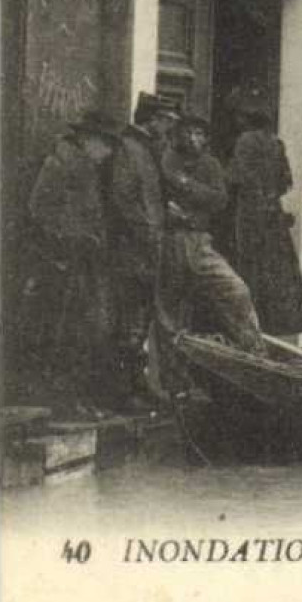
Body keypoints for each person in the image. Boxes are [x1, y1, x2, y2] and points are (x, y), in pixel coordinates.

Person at [24, 110, 122, 418]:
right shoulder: (60, 164)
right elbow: (39, 209)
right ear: (88, 139)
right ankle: (62, 400)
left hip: (83, 262)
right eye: (105, 145)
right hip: (63, 263)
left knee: (85, 329)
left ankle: (73, 397)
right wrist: (70, 240)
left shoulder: (86, 168)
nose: (107, 154)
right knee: (66, 331)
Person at [160, 114, 268, 360]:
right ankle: (173, 383)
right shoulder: (166, 159)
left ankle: (254, 353)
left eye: (198, 133)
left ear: (206, 138)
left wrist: (186, 184)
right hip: (170, 241)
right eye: (187, 132)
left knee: (236, 290)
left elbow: (220, 200)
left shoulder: (210, 165)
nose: (192, 138)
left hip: (200, 241)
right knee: (169, 313)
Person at [107, 92, 180, 408]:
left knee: (141, 316)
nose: (168, 127)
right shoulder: (129, 149)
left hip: (147, 249)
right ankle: (124, 391)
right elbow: (123, 199)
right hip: (132, 251)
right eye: (166, 121)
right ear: (152, 120)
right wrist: (147, 231)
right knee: (129, 319)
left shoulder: (149, 149)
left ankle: (137, 385)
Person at [228, 105, 302, 338]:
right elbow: (286, 182)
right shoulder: (276, 142)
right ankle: (276, 325)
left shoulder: (244, 141)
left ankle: (250, 325)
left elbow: (235, 177)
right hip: (273, 214)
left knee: (250, 266)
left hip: (250, 214)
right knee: (275, 268)